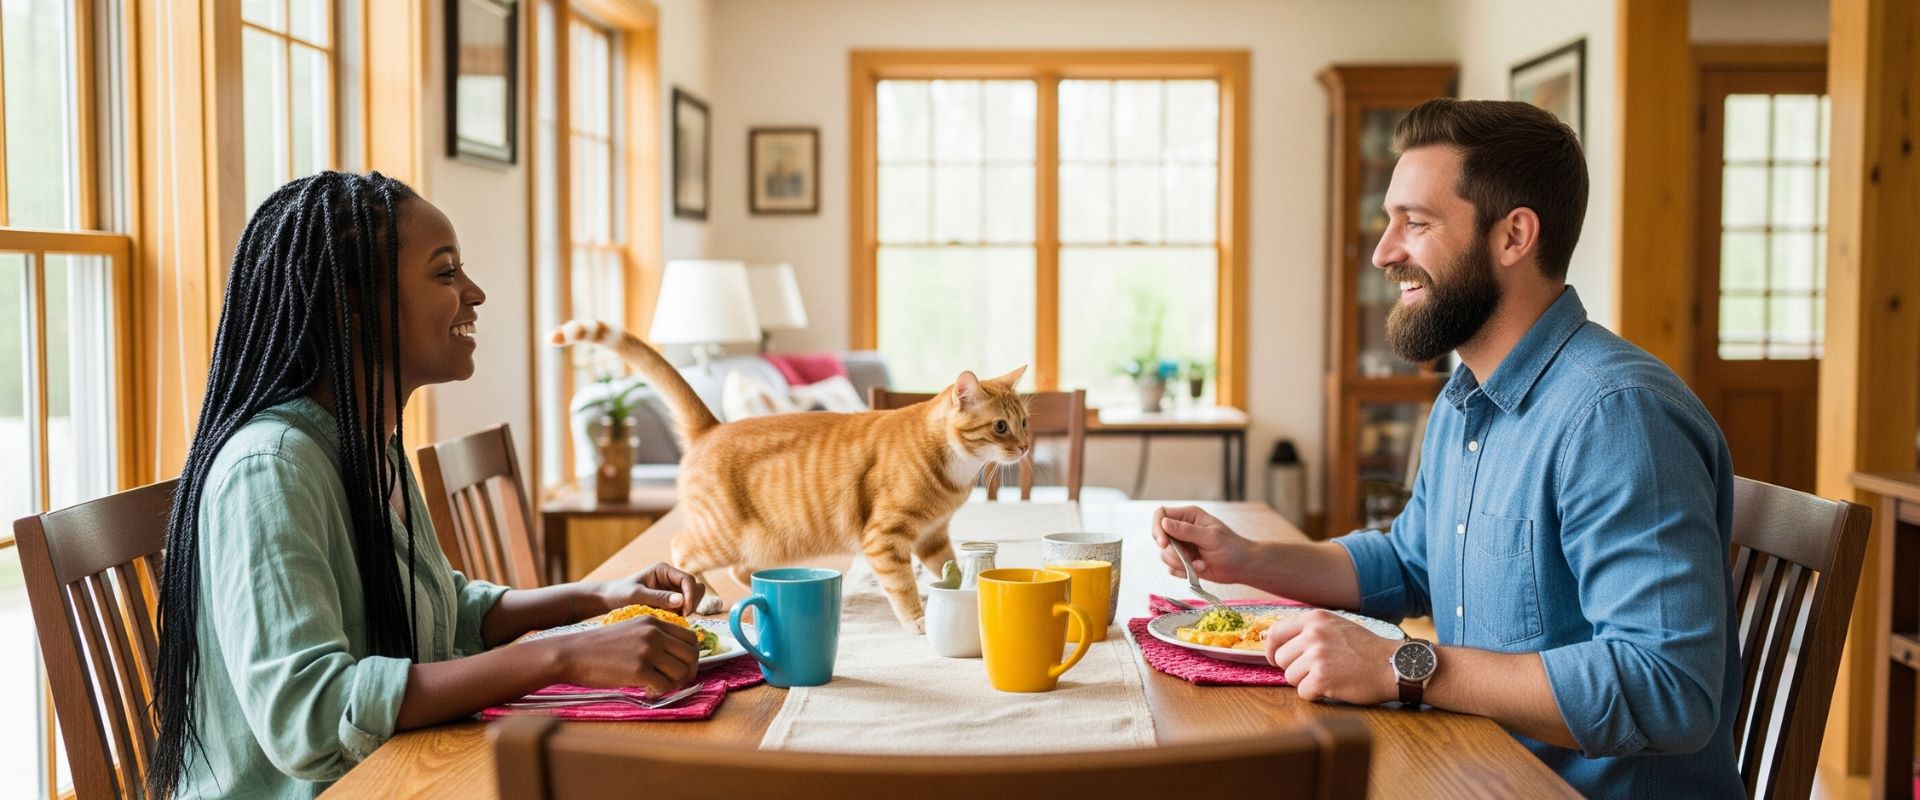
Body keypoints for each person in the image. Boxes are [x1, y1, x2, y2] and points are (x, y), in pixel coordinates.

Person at [1153, 99, 1741, 799]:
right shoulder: (1467, 397)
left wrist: (1404, 664)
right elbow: (1411, 563)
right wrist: (1250, 559)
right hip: (1475, 765)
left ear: (1513, 236)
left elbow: (1670, 689)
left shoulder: (1616, 417)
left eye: (1417, 223)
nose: (1383, 251)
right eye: (1389, 221)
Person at [147, 172, 709, 798]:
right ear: (353, 303)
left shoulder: (366, 443)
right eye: (445, 274)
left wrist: (592, 600)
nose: (475, 293)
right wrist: (561, 655)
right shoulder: (271, 468)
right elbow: (309, 715)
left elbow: (441, 611)